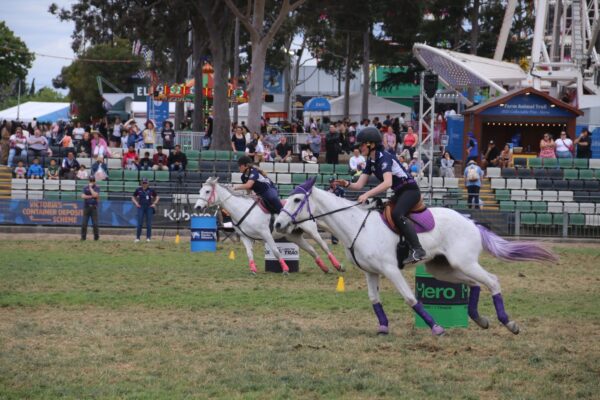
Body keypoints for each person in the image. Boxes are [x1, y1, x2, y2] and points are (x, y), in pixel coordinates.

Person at [334, 127, 426, 266]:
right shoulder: (370, 162)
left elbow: (388, 183)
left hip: (410, 191)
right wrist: (346, 184)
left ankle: (418, 250)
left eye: (362, 144)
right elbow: (358, 185)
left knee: (397, 214)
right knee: (381, 211)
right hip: (400, 192)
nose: (360, 148)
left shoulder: (385, 158)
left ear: (371, 144)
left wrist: (367, 194)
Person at [132, 178, 159, 242]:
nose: (144, 184)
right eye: (143, 183)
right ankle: (138, 238)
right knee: (140, 223)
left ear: (148, 183)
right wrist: (136, 203)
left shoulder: (151, 190)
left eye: (145, 183)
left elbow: (157, 197)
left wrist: (154, 203)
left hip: (149, 207)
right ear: (141, 183)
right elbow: (133, 197)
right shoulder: (138, 190)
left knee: (149, 223)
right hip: (141, 207)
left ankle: (148, 238)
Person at [81, 176, 100, 241]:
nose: (92, 182)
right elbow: (82, 196)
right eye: (90, 181)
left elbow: (95, 195)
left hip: (94, 207)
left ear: (95, 181)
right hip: (86, 207)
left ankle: (96, 238)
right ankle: (83, 238)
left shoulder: (97, 187)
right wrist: (91, 196)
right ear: (89, 181)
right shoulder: (85, 187)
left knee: (95, 224)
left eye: (93, 181)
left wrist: (90, 188)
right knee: (84, 223)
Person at [327, 176, 345, 245]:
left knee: (339, 225)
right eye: (330, 182)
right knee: (333, 225)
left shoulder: (340, 190)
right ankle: (334, 240)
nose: (332, 184)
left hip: (339, 209)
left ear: (335, 182)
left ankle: (341, 238)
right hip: (331, 209)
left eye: (333, 182)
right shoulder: (328, 190)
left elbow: (343, 199)